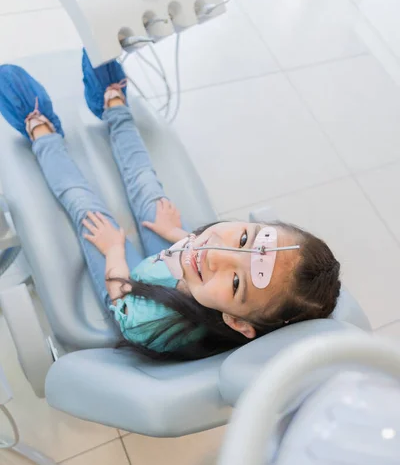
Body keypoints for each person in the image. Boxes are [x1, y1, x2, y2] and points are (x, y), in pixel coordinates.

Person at [0, 50, 341, 362]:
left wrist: (115, 250)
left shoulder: (153, 323)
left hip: (130, 285)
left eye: (236, 282)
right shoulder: (203, 255)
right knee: (148, 187)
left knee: (88, 211)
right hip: (175, 266)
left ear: (236, 321)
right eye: (242, 240)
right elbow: (210, 254)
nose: (214, 252)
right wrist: (175, 233)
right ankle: (114, 107)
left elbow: (121, 298)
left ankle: (40, 132)